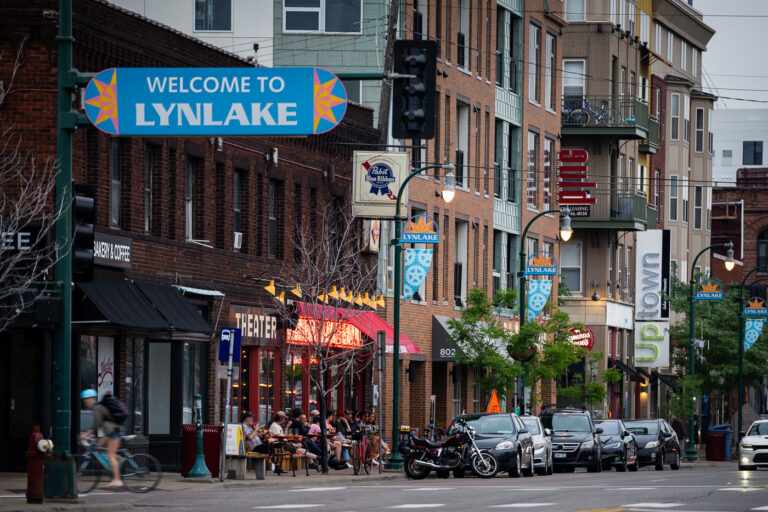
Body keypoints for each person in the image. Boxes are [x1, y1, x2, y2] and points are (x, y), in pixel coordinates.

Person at [78, 389, 123, 488]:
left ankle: (117, 480)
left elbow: (96, 425)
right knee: (98, 448)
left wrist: (85, 435)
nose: (86, 401)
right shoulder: (97, 407)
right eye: (84, 400)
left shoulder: (97, 408)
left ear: (92, 398)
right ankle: (118, 460)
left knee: (110, 455)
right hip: (110, 432)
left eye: (87, 399)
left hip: (113, 432)